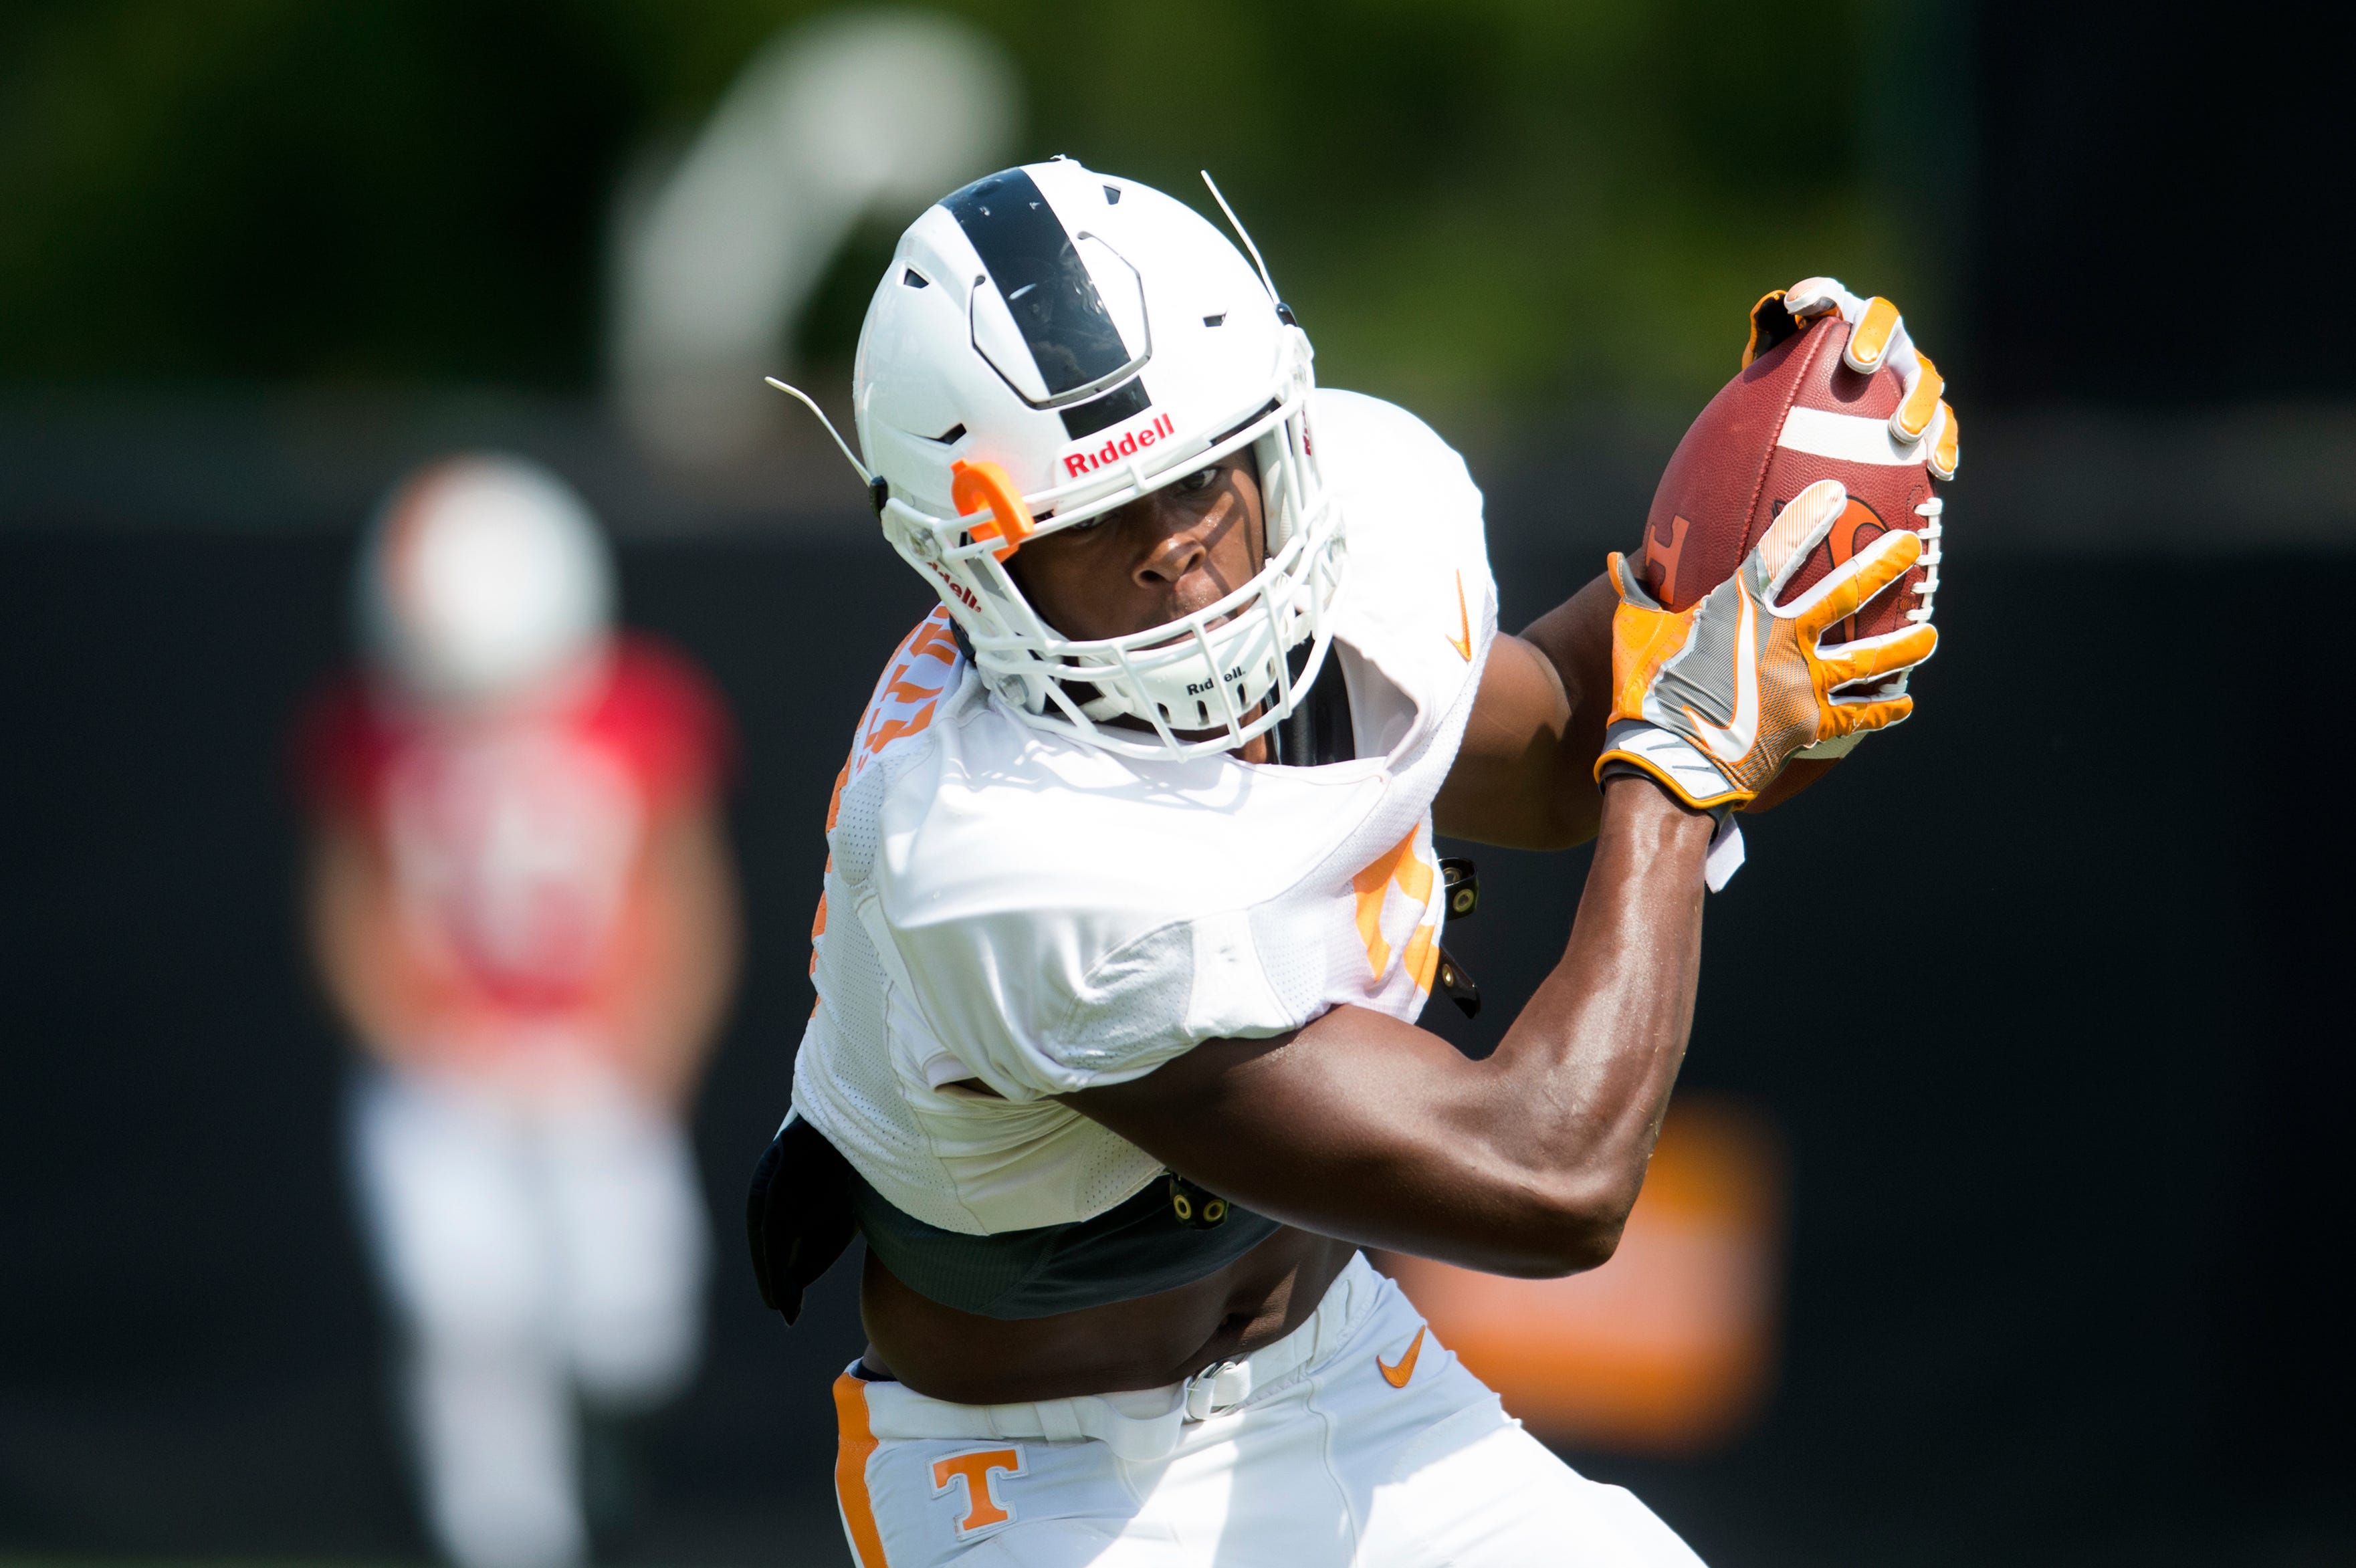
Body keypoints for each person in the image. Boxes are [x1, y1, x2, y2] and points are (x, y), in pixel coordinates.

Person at [748, 158, 1954, 1565]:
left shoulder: (1373, 516)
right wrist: (1683, 764)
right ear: (962, 571)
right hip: (1050, 1487)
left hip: (1348, 1375)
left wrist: (1785, 535)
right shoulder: (996, 857)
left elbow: (1571, 747)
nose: (1180, 554)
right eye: (1092, 527)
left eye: (1203, 476)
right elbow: (1549, 1180)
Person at [298, 455, 741, 1568]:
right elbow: (352, 898)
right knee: (465, 1307)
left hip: (597, 1052)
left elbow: (681, 885)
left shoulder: (641, 707)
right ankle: (506, 1536)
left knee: (631, 1329)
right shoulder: (370, 727)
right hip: (446, 1060)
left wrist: (652, 1044)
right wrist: (421, 1038)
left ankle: (598, 1447)